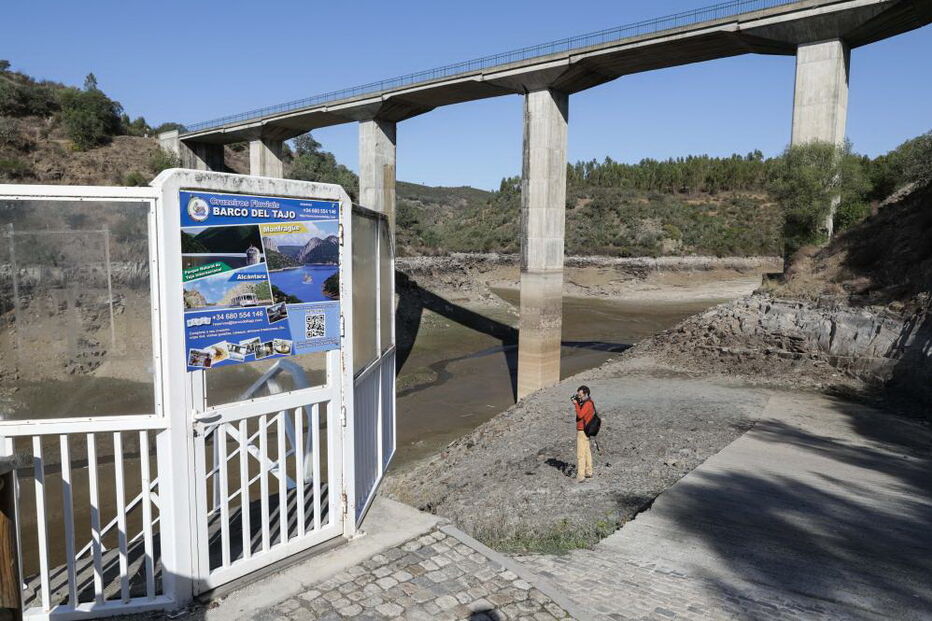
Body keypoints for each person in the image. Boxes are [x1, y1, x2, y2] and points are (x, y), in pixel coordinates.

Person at [571, 385, 595, 482]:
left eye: (580, 395)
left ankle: (581, 475)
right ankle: (588, 471)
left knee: (580, 453)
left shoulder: (587, 404)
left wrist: (576, 404)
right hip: (587, 430)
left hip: (582, 430)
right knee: (586, 451)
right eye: (578, 395)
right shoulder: (589, 402)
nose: (579, 396)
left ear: (586, 394)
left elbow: (580, 415)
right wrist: (578, 403)